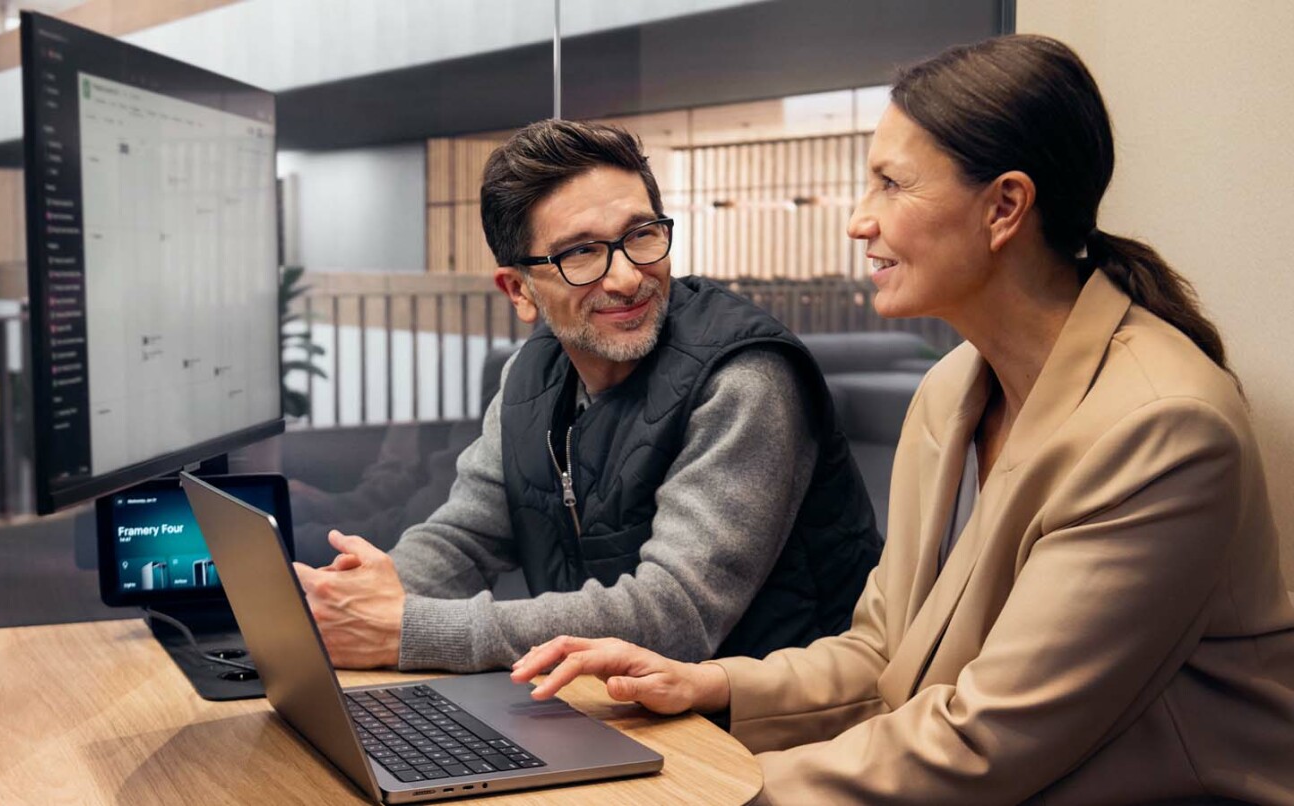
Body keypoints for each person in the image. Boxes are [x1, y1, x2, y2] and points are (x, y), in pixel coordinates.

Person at [510, 34, 1294, 803]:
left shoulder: (1162, 430)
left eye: (891, 184)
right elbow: (886, 654)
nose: (859, 220)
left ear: (1006, 207)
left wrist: (699, 788)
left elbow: (985, 745)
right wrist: (707, 684)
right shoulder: (951, 389)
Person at [293, 119, 882, 673]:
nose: (627, 278)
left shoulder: (743, 377)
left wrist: (408, 629)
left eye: (642, 235)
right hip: (615, 705)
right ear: (519, 290)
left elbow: (675, 613)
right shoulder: (533, 373)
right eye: (580, 252)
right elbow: (465, 536)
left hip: (769, 726)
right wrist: (354, 600)